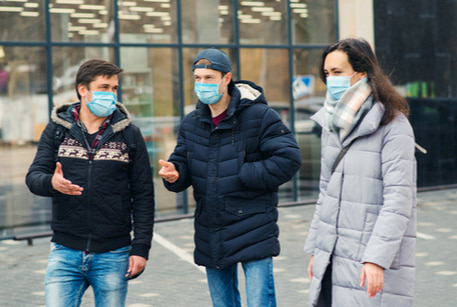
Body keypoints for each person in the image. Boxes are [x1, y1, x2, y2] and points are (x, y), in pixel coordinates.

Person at [158, 48, 301, 307]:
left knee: (260, 302)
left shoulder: (260, 116)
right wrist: (174, 174)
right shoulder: (192, 123)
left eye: (209, 78)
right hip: (211, 229)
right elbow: (182, 160)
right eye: (198, 78)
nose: (202, 84)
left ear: (226, 79)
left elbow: (288, 159)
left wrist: (243, 173)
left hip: (254, 227)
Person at [25, 59, 155, 307]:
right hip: (65, 252)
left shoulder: (130, 134)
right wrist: (52, 183)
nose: (111, 94)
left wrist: (140, 249)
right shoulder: (56, 131)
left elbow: (143, 195)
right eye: (104, 87)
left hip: (113, 254)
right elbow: (34, 177)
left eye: (114, 88)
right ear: (82, 90)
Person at [303, 38, 417, 306]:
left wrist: (376, 258)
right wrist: (316, 249)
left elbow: (398, 201)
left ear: (362, 73)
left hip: (369, 256)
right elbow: (325, 193)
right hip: (332, 253)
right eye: (327, 74)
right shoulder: (331, 125)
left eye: (338, 72)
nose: (331, 79)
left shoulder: (393, 125)